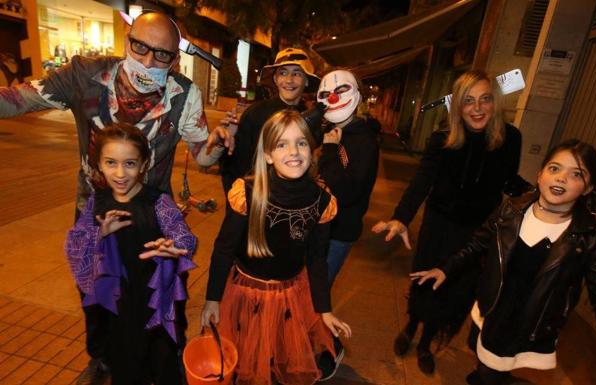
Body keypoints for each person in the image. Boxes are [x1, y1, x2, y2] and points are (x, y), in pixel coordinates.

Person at [0, 11, 232, 384]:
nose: (148, 61)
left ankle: (161, 359)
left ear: (174, 59)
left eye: (162, 55)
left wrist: (217, 144)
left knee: (157, 300)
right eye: (140, 47)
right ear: (127, 39)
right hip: (95, 217)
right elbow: (16, 99)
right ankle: (104, 358)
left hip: (152, 222)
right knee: (97, 298)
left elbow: (203, 156)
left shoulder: (184, 94)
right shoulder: (82, 75)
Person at [412, 139, 596, 385]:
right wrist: (446, 269)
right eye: (554, 168)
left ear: (588, 188)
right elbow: (478, 243)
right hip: (491, 309)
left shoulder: (591, 237)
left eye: (576, 174)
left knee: (492, 372)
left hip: (528, 326)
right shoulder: (511, 210)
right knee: (479, 350)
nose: (561, 178)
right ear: (540, 173)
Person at [372, 70, 522, 374]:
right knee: (425, 283)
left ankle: (427, 343)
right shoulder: (443, 139)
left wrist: (541, 196)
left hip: (476, 235)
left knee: (453, 292)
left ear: (495, 103)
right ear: (458, 107)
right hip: (438, 227)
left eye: (484, 100)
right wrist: (401, 217)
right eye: (469, 101)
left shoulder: (510, 139)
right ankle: (411, 326)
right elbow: (422, 180)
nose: (477, 108)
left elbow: (509, 181)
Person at [202, 110, 352, 385]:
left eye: (301, 143)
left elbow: (318, 259)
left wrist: (324, 309)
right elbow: (224, 249)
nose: (293, 151)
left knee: (278, 356)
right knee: (245, 356)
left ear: (312, 149)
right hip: (245, 293)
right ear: (268, 155)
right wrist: (213, 298)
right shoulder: (247, 192)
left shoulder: (322, 201)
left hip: (291, 294)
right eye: (282, 144)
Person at [65, 123, 196, 385]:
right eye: (111, 162)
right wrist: (99, 234)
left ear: (144, 164)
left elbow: (185, 237)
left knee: (162, 364)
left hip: (154, 306)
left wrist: (175, 248)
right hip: (117, 310)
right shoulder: (97, 202)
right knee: (125, 368)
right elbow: (75, 247)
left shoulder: (158, 202)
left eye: (130, 163)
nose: (120, 173)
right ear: (99, 164)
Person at [219, 47, 320, 193]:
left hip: (292, 199)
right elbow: (234, 164)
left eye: (296, 73)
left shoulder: (311, 118)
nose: (289, 80)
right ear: (275, 79)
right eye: (283, 73)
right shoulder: (255, 113)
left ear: (306, 81)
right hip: (256, 196)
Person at [317, 69, 380, 285]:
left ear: (358, 96)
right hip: (316, 226)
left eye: (341, 90)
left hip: (339, 231)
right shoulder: (326, 130)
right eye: (326, 94)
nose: (333, 97)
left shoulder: (365, 142)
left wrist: (330, 151)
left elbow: (348, 192)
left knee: (317, 292)